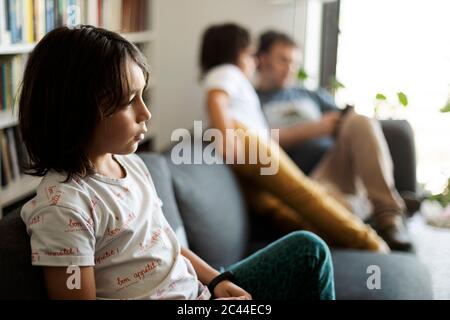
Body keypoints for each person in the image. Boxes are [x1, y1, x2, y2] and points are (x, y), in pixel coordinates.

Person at [18, 25, 335, 300]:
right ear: (78, 111)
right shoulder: (64, 207)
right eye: (129, 101)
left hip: (203, 292)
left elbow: (166, 242)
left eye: (143, 96)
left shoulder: (134, 165)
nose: (146, 113)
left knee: (309, 250)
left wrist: (216, 279)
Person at [201, 23, 390, 253]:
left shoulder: (229, 77)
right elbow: (216, 100)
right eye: (250, 55)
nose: (254, 62)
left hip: (254, 147)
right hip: (250, 142)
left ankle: (349, 230)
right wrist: (227, 137)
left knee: (281, 208)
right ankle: (370, 241)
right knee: (303, 194)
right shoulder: (228, 73)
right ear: (235, 54)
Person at [255, 30, 413, 252]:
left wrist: (340, 121)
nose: (290, 68)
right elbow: (256, 145)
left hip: (339, 166)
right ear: (262, 59)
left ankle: (388, 216)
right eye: (283, 60)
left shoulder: (309, 95)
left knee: (359, 121)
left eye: (294, 62)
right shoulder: (252, 101)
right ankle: (369, 206)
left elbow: (347, 122)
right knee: (337, 215)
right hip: (309, 183)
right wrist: (312, 129)